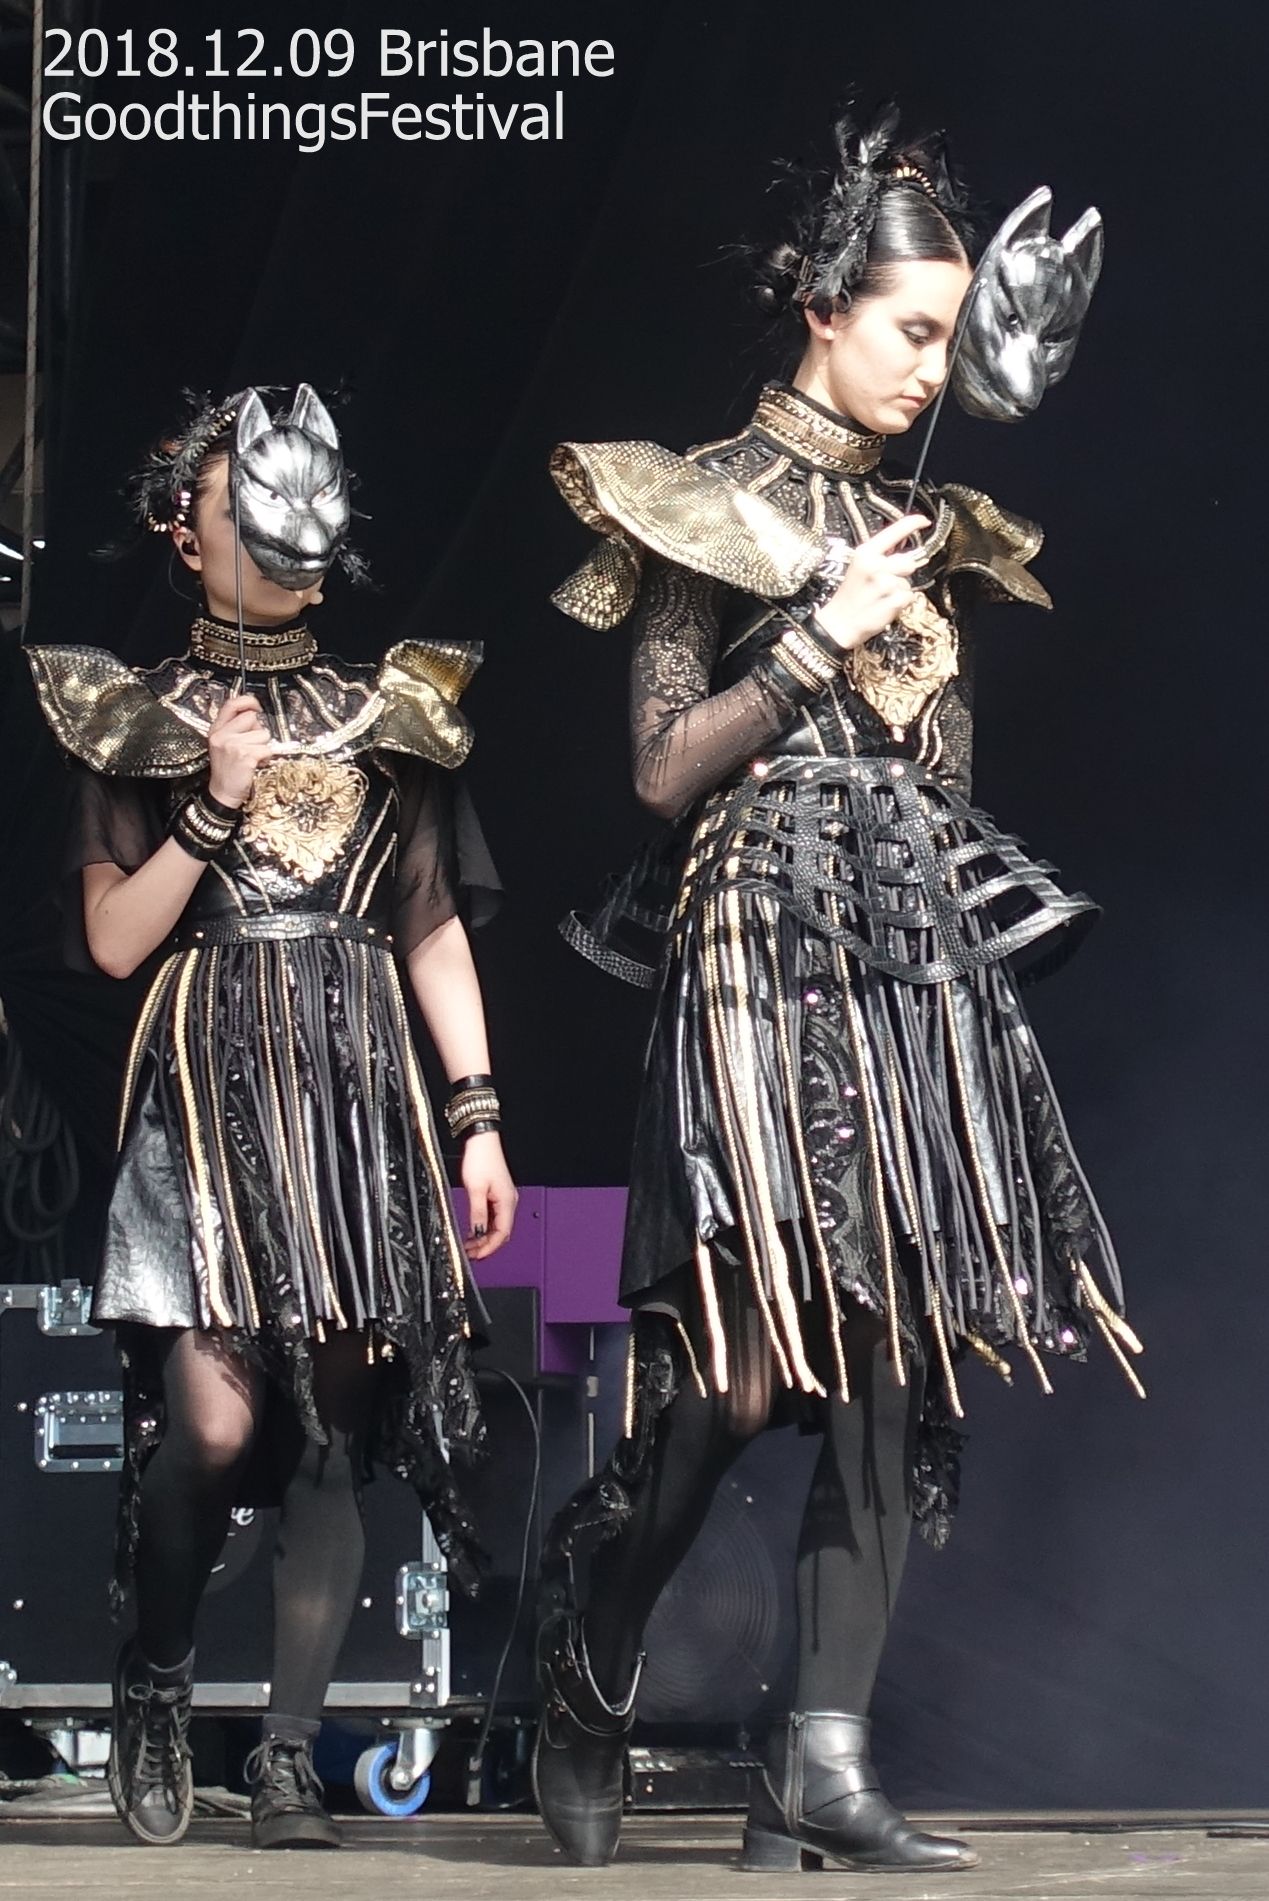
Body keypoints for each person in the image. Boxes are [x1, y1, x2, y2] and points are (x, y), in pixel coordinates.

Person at [533, 114, 1140, 1874]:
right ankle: (594, 1650)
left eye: (947, 339)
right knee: (726, 1380)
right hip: (750, 942)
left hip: (905, 948)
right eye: (911, 331)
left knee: (893, 1340)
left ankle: (817, 1759)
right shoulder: (692, 499)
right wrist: (813, 639)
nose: (930, 371)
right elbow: (659, 776)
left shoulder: (931, 531)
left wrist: (916, 678)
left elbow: (941, 769)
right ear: (818, 308)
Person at [25, 386, 517, 1851]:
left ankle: (292, 1753)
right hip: (212, 1073)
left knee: (325, 1423)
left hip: (358, 1079)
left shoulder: (392, 710)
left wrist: (478, 1116)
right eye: (246, 498)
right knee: (212, 1417)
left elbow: (430, 928)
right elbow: (116, 943)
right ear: (190, 531)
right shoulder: (137, 713)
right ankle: (162, 1678)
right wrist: (213, 807)